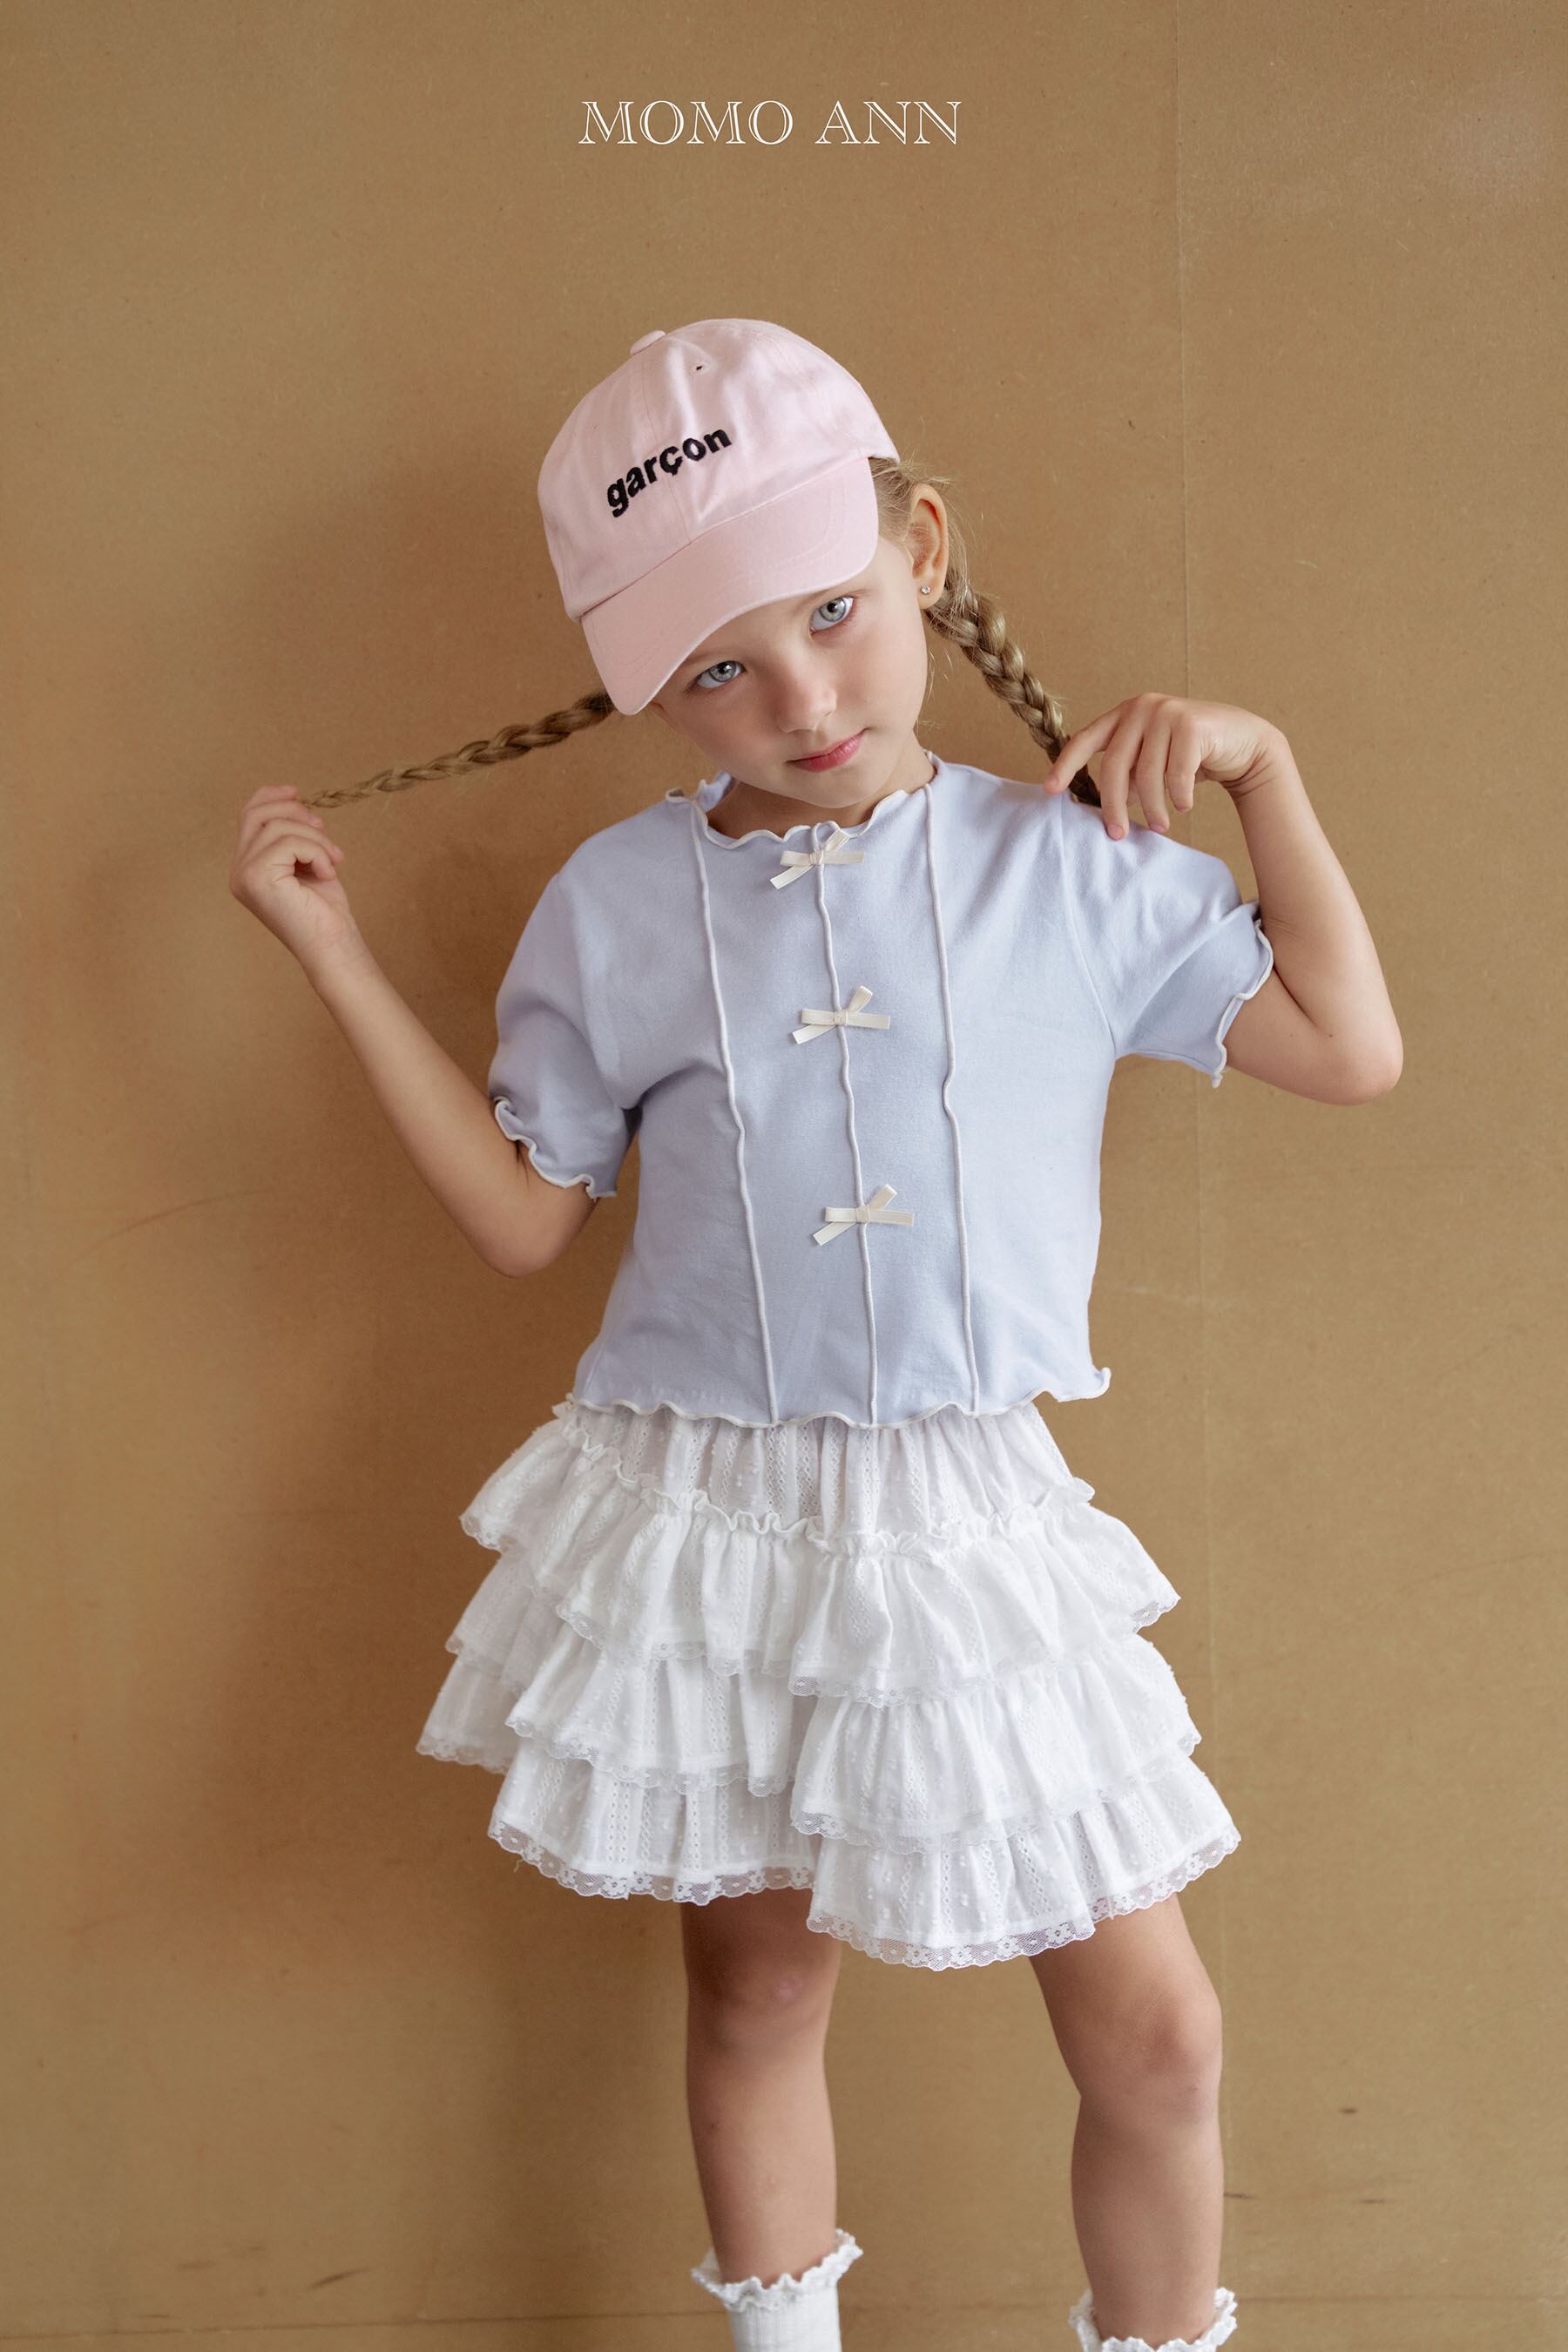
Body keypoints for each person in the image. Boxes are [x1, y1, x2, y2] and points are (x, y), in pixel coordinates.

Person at [228, 318, 1402, 2352]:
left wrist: (1267, 774)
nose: (799, 698)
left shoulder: (1070, 866)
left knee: (1159, 2036)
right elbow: (522, 1218)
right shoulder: (613, 906)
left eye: (835, 615)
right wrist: (332, 955)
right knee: (761, 1985)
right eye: (717, 669)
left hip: (968, 1516)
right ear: (652, 688)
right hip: (710, 1513)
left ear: (921, 547)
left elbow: (1349, 1046)